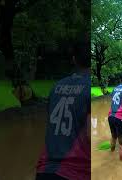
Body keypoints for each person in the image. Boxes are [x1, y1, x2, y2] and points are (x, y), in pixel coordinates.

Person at [35, 36, 91, 180]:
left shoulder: (56, 87)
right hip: (75, 172)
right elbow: (91, 134)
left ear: (73, 59)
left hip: (44, 170)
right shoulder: (89, 88)